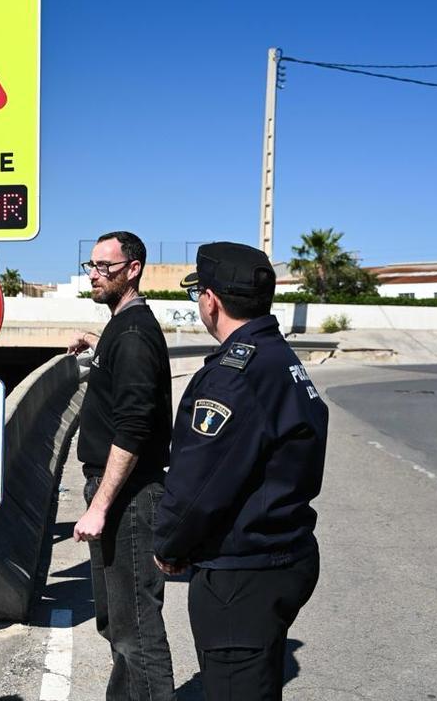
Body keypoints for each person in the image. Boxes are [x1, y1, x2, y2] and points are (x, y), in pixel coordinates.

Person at [153, 242, 328, 701]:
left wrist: (169, 544)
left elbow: (199, 483)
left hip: (242, 575)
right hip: (281, 555)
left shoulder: (234, 375)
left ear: (210, 300)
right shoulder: (280, 359)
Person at [68, 231, 176, 701]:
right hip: (123, 494)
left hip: (129, 497)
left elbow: (132, 429)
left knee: (135, 628)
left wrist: (100, 506)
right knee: (117, 622)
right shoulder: (123, 327)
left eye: (105, 267)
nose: (95, 274)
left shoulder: (132, 334)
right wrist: (99, 345)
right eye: (91, 265)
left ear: (133, 270)